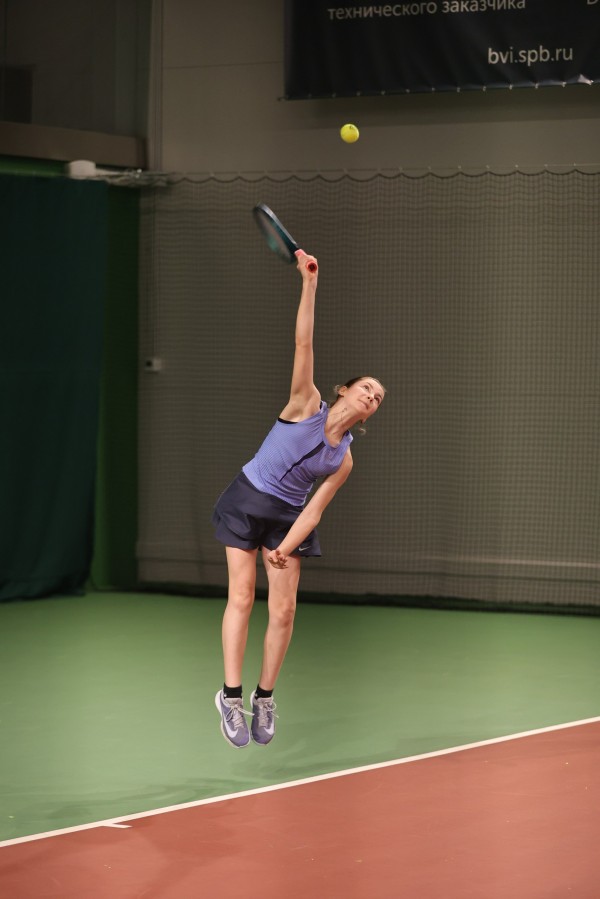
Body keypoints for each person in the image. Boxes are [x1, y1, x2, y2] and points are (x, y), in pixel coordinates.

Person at [212, 250, 385, 748]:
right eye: (366, 388)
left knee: (284, 611)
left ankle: (264, 697)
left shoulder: (343, 460)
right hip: (246, 499)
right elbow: (303, 341)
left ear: (369, 414)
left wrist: (286, 546)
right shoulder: (304, 403)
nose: (371, 396)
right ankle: (230, 697)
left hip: (287, 519)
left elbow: (313, 509)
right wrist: (309, 284)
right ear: (344, 390)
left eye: (377, 398)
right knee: (242, 596)